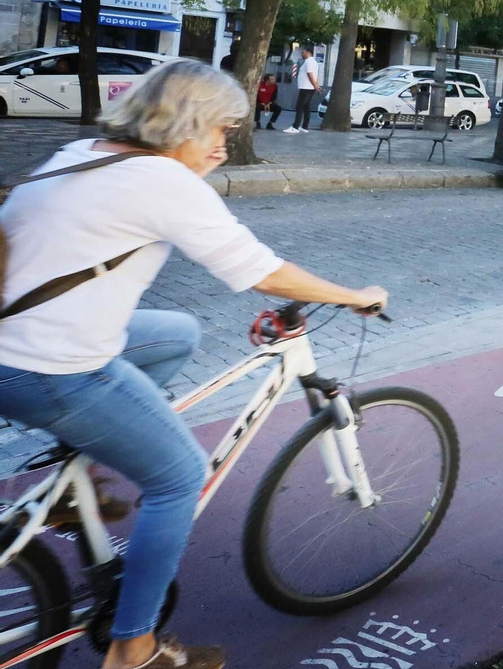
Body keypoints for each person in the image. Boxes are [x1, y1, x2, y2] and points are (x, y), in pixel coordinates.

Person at [0, 59, 388, 669]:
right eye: (220, 131)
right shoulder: (162, 181)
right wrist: (353, 295)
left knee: (175, 332)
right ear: (187, 122)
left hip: (13, 345)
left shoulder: (85, 152)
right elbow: (261, 273)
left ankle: (72, 476)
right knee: (179, 476)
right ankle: (135, 649)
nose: (223, 147)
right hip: (52, 369)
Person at [285, 46, 319, 133]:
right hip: (309, 87)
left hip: (306, 87)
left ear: (308, 52)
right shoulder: (314, 62)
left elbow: (310, 74)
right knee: (306, 107)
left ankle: (295, 127)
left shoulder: (309, 62)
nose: (302, 54)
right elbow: (316, 75)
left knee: (299, 107)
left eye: (303, 52)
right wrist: (316, 85)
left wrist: (315, 85)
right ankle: (304, 127)